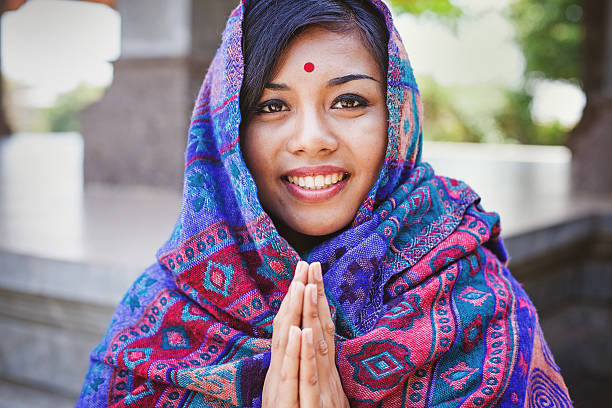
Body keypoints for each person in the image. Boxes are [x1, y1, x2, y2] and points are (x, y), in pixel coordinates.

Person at [77, 0, 572, 407]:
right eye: (272, 106)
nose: (312, 139)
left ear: (397, 114)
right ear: (227, 130)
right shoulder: (165, 313)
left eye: (349, 101)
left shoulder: (474, 295)